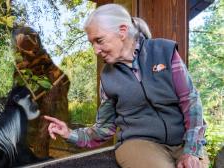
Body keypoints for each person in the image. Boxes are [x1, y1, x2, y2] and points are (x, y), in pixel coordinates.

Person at [44, 4, 209, 168]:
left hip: (183, 141)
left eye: (99, 40)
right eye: (92, 43)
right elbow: (104, 129)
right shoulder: (107, 77)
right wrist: (69, 134)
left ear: (122, 31)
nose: (95, 50)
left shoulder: (164, 51)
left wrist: (191, 151)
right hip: (139, 144)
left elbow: (190, 101)